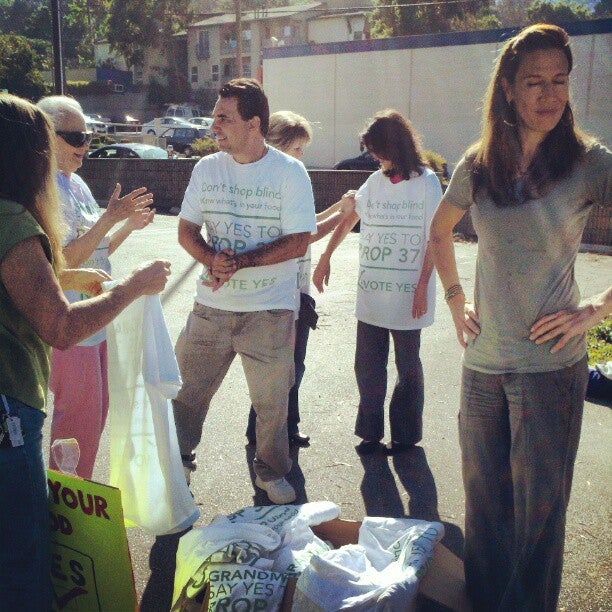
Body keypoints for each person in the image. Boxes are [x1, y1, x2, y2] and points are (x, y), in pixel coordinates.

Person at [428, 24, 611, 611]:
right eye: (535, 82)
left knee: (538, 523)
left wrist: (596, 310)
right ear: (507, 88)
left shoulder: (589, 161)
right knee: (484, 515)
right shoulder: (480, 163)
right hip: (483, 367)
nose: (549, 94)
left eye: (560, 80)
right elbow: (439, 231)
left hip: (550, 370)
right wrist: (456, 301)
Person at [0, 93, 170, 610]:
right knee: (24, 554)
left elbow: (25, 276)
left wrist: (70, 275)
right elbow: (60, 326)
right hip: (9, 404)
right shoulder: (12, 219)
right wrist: (132, 287)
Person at [172, 80, 316, 505]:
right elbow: (186, 230)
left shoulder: (289, 172)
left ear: (253, 124)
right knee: (187, 394)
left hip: (269, 310)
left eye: (224, 118)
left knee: (272, 404)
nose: (213, 126)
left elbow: (299, 240)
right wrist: (210, 258)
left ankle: (271, 472)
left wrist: (242, 261)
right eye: (214, 117)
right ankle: (178, 464)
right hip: (210, 308)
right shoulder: (207, 169)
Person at [37, 95, 156, 479]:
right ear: (46, 135)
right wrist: (108, 220)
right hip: (69, 320)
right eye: (75, 137)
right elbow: (61, 263)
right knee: (78, 419)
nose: (85, 145)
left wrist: (125, 226)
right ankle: (65, 501)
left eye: (87, 136)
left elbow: (98, 253)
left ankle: (74, 494)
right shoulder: (44, 187)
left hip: (95, 318)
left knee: (94, 414)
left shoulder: (77, 184)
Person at [313, 110, 443, 456]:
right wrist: (325, 257)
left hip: (408, 293)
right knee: (368, 367)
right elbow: (349, 218)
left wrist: (422, 287)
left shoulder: (427, 183)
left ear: (395, 146)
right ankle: (370, 433)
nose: (374, 157)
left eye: (378, 150)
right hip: (372, 292)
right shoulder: (374, 181)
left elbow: (435, 237)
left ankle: (405, 436)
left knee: (408, 367)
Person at [245, 110, 356, 448]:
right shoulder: (275, 183)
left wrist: (337, 208)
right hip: (279, 293)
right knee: (280, 368)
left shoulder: (286, 178)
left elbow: (307, 223)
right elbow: (305, 236)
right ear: (278, 145)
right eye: (297, 148)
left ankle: (279, 427)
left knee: (290, 366)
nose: (302, 155)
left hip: (296, 291)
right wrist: (341, 216)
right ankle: (270, 432)